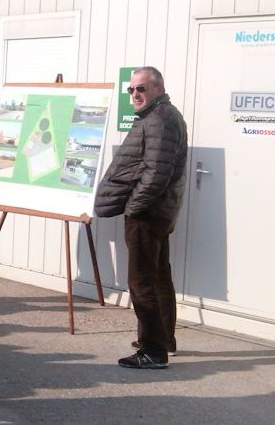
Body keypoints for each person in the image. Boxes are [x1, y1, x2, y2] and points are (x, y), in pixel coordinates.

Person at [94, 66, 188, 369]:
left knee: (141, 280)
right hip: (157, 211)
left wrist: (134, 207)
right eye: (131, 89)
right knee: (158, 275)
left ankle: (153, 351)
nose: (135, 94)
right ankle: (163, 340)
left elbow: (157, 172)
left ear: (158, 89)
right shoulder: (158, 116)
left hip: (149, 213)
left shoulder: (160, 119)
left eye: (141, 88)